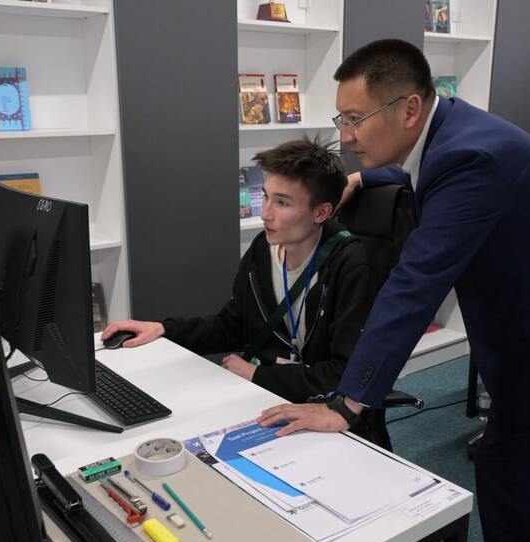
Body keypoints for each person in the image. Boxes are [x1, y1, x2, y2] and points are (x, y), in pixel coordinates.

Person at [258, 39, 530, 542]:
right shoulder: (453, 128)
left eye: (355, 119)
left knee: (513, 475)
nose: (346, 136)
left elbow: (413, 287)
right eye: (342, 118)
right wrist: (366, 178)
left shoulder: (469, 161)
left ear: (408, 109)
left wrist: (347, 403)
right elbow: (418, 172)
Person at [102, 137, 390, 447]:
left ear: (321, 212)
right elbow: (233, 325)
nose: (265, 213)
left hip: (326, 415)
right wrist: (164, 329)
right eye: (265, 197)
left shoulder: (350, 266)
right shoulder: (263, 249)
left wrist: (257, 375)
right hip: (269, 400)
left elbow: (345, 372)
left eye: (282, 203)